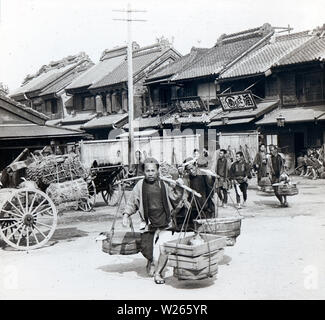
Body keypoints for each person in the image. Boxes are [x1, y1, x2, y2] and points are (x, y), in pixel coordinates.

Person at [122, 157, 184, 284]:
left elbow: (175, 197)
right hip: (148, 222)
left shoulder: (165, 183)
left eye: (153, 170)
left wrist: (179, 187)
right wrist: (126, 215)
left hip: (165, 221)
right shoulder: (140, 185)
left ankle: (158, 273)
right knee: (146, 249)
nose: (150, 173)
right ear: (144, 172)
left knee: (164, 250)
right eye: (147, 171)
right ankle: (151, 260)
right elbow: (132, 201)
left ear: (157, 171)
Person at [182, 158, 215, 225]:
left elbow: (210, 187)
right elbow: (185, 190)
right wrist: (185, 200)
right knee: (196, 226)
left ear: (195, 166)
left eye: (192, 168)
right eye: (188, 170)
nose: (191, 171)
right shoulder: (187, 177)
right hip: (194, 206)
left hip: (205, 206)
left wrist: (212, 177)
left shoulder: (203, 175)